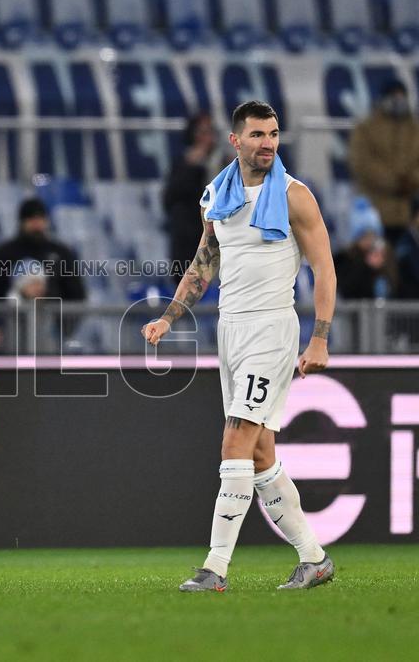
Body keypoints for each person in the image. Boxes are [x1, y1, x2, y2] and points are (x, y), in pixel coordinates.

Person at [142, 101, 338, 592]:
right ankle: (313, 558)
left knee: (235, 440)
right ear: (236, 141)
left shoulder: (295, 197)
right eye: (257, 135)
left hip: (272, 331)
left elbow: (325, 267)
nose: (268, 142)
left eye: (273, 134)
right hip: (231, 331)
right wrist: (169, 317)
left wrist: (319, 337)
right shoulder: (218, 196)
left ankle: (215, 568)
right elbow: (204, 264)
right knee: (259, 454)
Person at [348, 79, 419, 245]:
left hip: (410, 214)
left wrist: (414, 180)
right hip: (376, 211)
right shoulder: (366, 128)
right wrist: (394, 183)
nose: (398, 101)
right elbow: (362, 164)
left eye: (402, 97)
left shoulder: (416, 129)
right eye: (393, 97)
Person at [0, 198, 85, 302]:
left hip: (53, 316)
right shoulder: (1, 255)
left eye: (40, 219)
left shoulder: (61, 253)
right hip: (13, 316)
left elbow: (76, 295)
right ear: (21, 222)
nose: (36, 224)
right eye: (31, 219)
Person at [163, 112, 218, 283]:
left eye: (210, 132)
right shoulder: (183, 165)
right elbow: (169, 200)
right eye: (202, 132)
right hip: (189, 238)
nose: (207, 137)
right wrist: (191, 167)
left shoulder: (224, 164)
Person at [334, 200, 397, 300]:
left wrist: (380, 268)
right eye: (364, 235)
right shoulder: (344, 258)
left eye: (372, 234)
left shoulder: (385, 253)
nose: (369, 240)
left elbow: (394, 285)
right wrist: (366, 267)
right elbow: (346, 289)